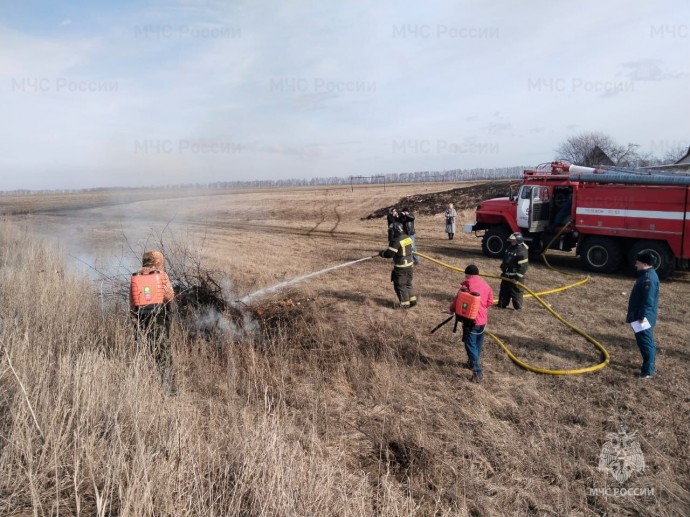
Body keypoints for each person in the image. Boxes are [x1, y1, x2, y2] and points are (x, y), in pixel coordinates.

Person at [130, 250, 176, 392]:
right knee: (163, 352)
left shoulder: (136, 276)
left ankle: (146, 383)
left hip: (140, 318)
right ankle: (169, 389)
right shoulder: (161, 275)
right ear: (158, 261)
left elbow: (132, 301)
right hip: (159, 318)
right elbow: (169, 296)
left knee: (145, 349)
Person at [448, 264, 494, 382]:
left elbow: (458, 300)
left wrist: (451, 310)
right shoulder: (486, 285)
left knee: (470, 345)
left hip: (471, 321)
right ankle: (471, 363)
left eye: (466, 275)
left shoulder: (466, 286)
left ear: (468, 274)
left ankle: (477, 371)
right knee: (478, 343)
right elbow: (490, 302)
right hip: (482, 320)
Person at [626, 251, 660, 379]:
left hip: (642, 317)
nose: (636, 264)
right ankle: (648, 366)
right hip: (639, 315)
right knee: (644, 341)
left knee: (646, 342)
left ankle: (647, 372)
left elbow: (648, 301)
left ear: (645, 264)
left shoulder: (648, 279)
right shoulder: (646, 275)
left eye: (638, 262)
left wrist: (642, 316)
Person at [379, 222, 417, 308]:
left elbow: (389, 254)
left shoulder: (396, 241)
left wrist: (382, 253)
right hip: (410, 265)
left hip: (401, 267)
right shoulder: (407, 237)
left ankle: (405, 304)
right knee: (408, 283)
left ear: (394, 231)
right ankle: (412, 300)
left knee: (400, 285)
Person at [497, 232, 529, 309]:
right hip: (506, 276)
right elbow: (506, 259)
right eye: (511, 241)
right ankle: (502, 304)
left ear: (518, 241)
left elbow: (523, 267)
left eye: (514, 241)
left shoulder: (522, 251)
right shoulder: (510, 248)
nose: (512, 242)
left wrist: (516, 278)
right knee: (504, 291)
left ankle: (517, 307)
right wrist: (503, 269)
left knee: (516, 293)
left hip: (515, 278)